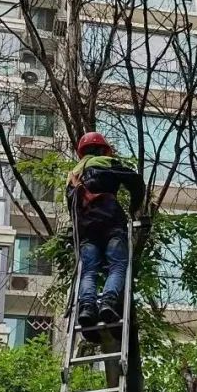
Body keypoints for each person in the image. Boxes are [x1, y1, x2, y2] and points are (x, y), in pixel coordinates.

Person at [66, 131, 145, 331]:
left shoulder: (74, 176)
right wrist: (134, 207)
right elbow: (136, 181)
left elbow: (72, 208)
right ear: (104, 150)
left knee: (89, 270)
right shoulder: (107, 163)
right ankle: (108, 303)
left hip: (86, 229)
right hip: (111, 223)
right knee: (117, 265)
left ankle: (87, 308)